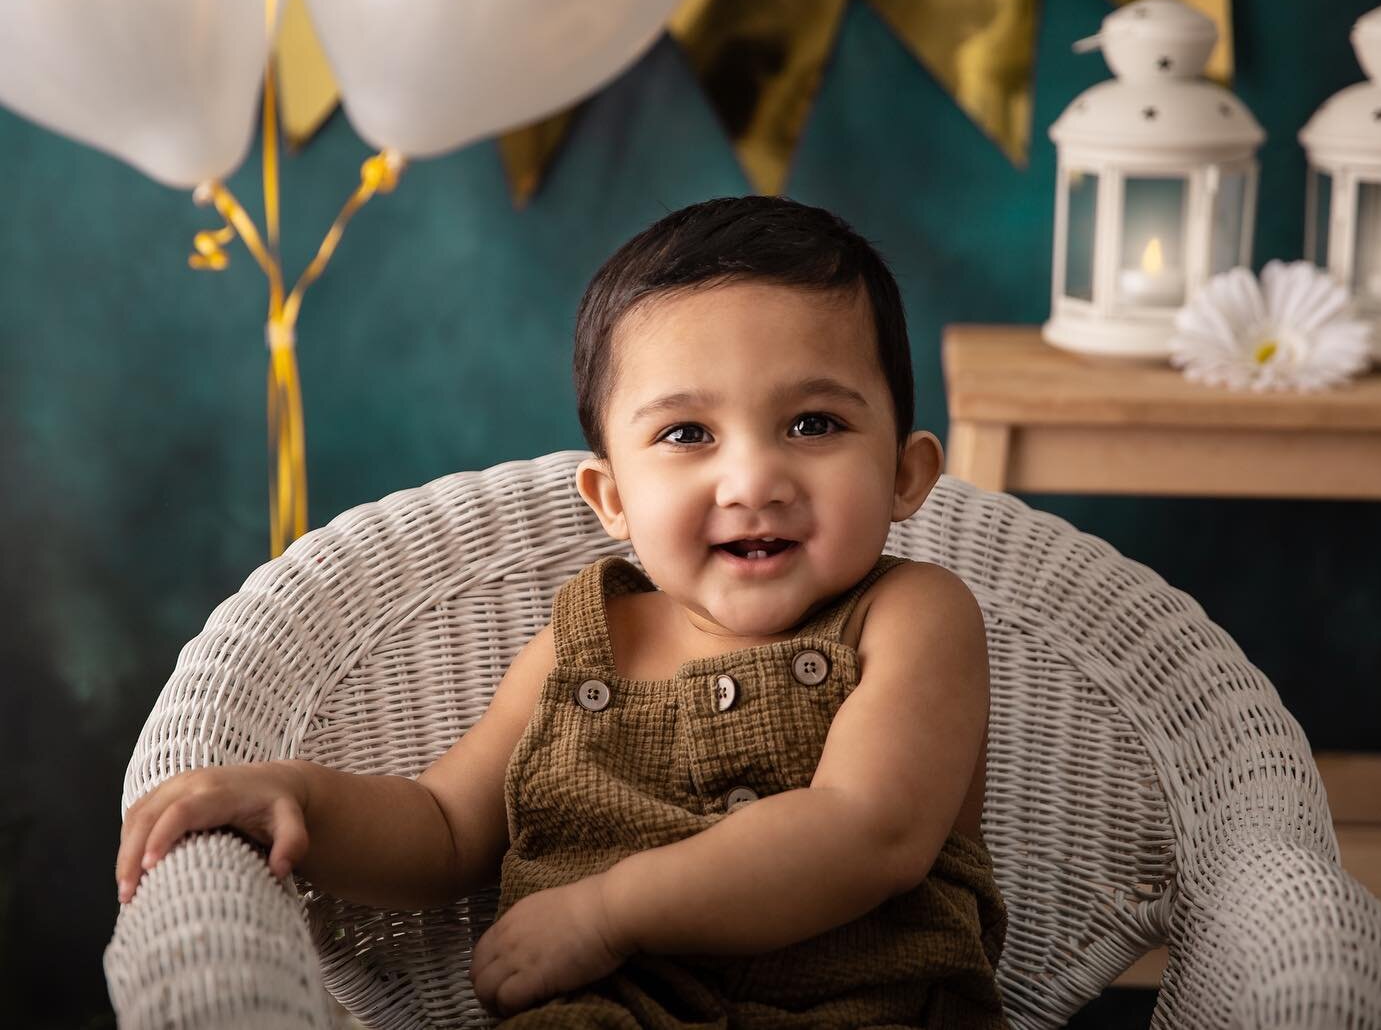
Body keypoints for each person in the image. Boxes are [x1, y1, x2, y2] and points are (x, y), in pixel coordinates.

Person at [115, 195, 1008, 1027]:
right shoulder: (580, 651)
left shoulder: (913, 616)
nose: (754, 481)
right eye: (687, 434)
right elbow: (444, 827)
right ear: (612, 499)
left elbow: (869, 830)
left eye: (813, 424)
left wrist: (610, 911)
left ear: (904, 473)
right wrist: (298, 796)